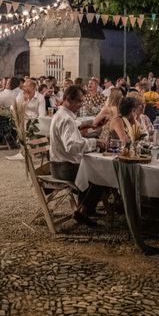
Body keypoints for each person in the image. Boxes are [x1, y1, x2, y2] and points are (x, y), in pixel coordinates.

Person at [49, 85, 105, 225]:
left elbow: (73, 124)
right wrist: (95, 142)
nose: (81, 105)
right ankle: (83, 211)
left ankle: (87, 209)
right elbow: (72, 146)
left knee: (94, 170)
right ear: (68, 99)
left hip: (57, 164)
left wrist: (86, 123)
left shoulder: (62, 114)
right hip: (64, 167)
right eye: (79, 101)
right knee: (101, 176)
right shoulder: (66, 119)